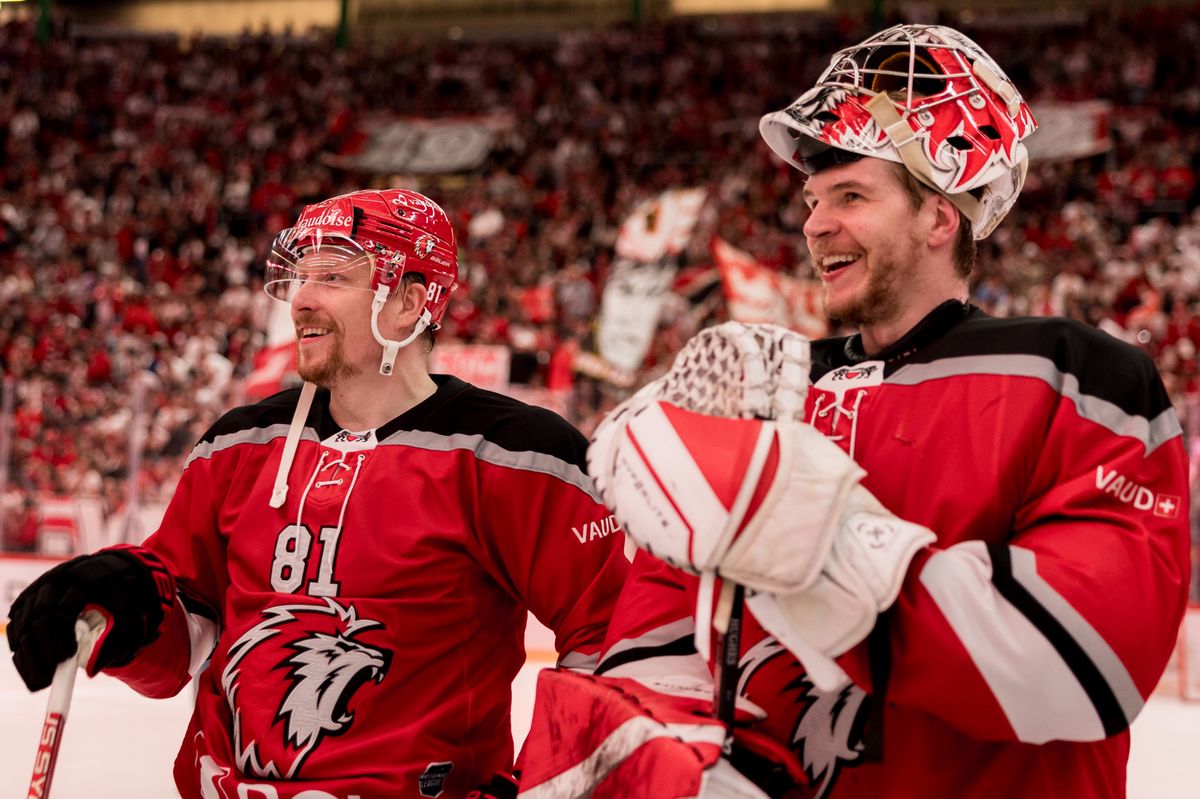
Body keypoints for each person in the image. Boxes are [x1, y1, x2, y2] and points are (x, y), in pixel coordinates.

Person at [515, 24, 1191, 799]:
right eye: (811, 200)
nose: (813, 224)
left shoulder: (1076, 372)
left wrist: (807, 535)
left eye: (850, 195)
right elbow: (660, 627)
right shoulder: (767, 384)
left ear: (940, 217)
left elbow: (1088, 658)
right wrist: (683, 753)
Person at [7, 188, 629, 799]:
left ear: (410, 302)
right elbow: (184, 638)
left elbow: (612, 641)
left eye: (332, 276)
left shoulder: (516, 454)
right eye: (299, 277)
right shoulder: (238, 444)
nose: (300, 299)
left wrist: (548, 786)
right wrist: (124, 604)